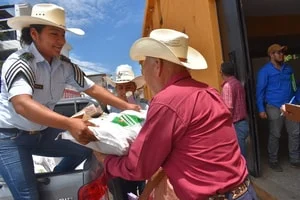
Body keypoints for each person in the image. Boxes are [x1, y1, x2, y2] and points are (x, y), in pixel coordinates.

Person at [94, 29, 258, 199]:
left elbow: (138, 167)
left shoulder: (166, 101)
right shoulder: (209, 91)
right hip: (245, 191)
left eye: (144, 66)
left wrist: (106, 160)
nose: (144, 74)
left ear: (157, 65)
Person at [0, 3, 139, 200]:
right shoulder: (20, 62)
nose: (60, 41)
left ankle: (57, 184)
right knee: (27, 196)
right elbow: (22, 104)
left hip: (42, 133)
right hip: (10, 138)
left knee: (86, 148)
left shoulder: (64, 66)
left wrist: (127, 106)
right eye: (54, 34)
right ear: (34, 34)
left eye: (63, 35)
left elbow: (92, 88)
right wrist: (69, 123)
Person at [105, 64, 147, 199]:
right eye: (120, 87)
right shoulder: (109, 108)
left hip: (141, 160)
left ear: (135, 88)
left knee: (143, 191)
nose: (124, 91)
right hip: (119, 162)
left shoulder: (146, 106)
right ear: (116, 89)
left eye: (128, 87)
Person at [256, 43, 300, 172]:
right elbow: (260, 91)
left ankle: (295, 159)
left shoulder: (289, 69)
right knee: (275, 134)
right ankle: (273, 160)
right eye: (279, 53)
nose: (282, 55)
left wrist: (297, 101)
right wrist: (261, 109)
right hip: (273, 106)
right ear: (271, 54)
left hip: (290, 104)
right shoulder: (264, 71)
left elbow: (294, 86)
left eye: (282, 53)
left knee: (295, 133)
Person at [220, 62, 249, 158]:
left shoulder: (228, 86)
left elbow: (228, 109)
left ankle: (243, 172)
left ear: (222, 72)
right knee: (241, 151)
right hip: (243, 122)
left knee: (238, 154)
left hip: (236, 124)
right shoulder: (237, 83)